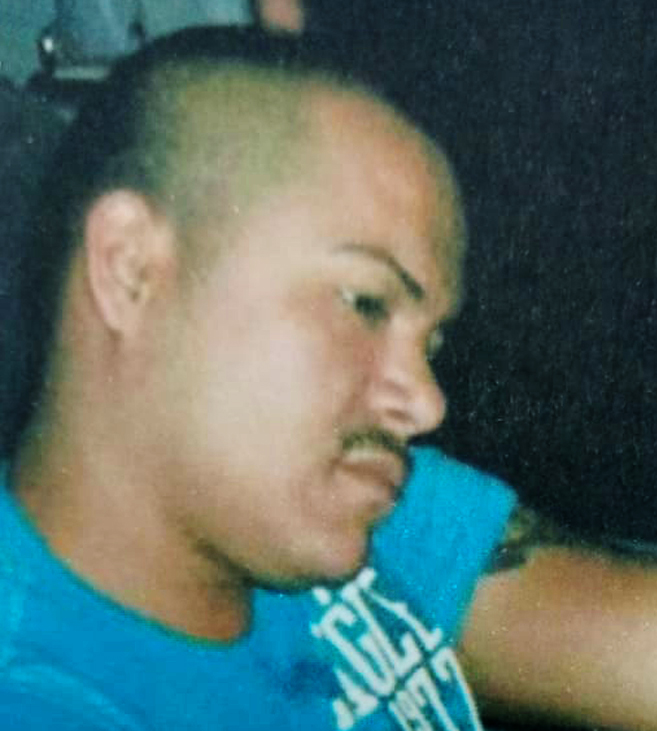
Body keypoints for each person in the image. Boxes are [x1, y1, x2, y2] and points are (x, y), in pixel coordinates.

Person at [2, 25, 657, 731]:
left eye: (430, 343)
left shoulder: (336, 502)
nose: (427, 403)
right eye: (365, 303)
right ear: (130, 269)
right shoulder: (42, 696)